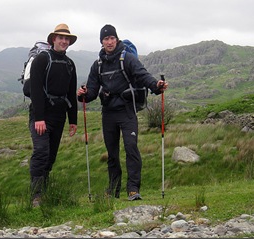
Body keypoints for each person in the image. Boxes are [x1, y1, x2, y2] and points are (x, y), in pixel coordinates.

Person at [77, 24, 168, 201]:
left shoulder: (127, 59)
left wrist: (156, 86)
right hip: (108, 113)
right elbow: (92, 92)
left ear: (116, 39)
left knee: (131, 148)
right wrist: (83, 95)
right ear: (101, 42)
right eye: (106, 39)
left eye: (112, 38)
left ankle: (133, 189)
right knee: (112, 153)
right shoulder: (98, 65)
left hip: (127, 111)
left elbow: (143, 75)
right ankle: (113, 189)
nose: (109, 42)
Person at [28, 23, 78, 207]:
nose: (64, 41)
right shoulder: (42, 59)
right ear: (53, 40)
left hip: (59, 117)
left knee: (50, 157)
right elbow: (35, 89)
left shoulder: (70, 64)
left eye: (67, 39)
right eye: (61, 38)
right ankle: (36, 196)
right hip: (40, 115)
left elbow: (71, 93)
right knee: (41, 152)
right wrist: (39, 117)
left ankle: (44, 193)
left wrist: (73, 120)